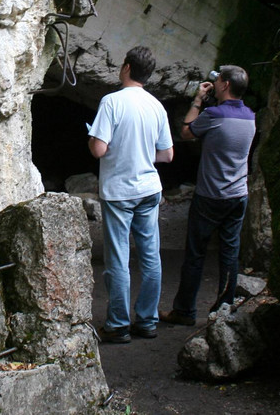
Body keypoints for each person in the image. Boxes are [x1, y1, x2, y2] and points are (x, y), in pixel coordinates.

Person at [88, 46, 174, 343]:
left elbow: (99, 149)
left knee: (118, 259)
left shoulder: (111, 102)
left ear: (126, 67)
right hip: (149, 189)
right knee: (151, 257)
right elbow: (167, 155)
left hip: (119, 192)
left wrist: (96, 141)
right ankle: (147, 321)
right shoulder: (156, 106)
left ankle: (118, 325)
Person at [161, 65, 256, 326]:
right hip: (238, 195)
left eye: (219, 79)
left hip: (210, 196)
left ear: (224, 85)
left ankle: (184, 311)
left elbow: (187, 131)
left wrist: (199, 99)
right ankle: (224, 311)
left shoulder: (214, 114)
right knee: (229, 252)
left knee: (195, 254)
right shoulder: (250, 115)